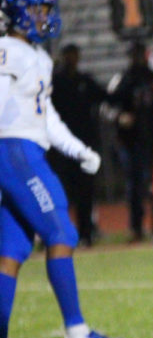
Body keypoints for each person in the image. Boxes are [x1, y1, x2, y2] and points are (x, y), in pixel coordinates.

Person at [0, 0, 126, 338]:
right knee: (61, 230)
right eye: (39, 8)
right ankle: (75, 333)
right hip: (14, 150)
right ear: (19, 11)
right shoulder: (8, 50)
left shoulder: (35, 56)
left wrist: (78, 151)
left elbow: (46, 116)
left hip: (23, 148)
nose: (45, 16)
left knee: (13, 248)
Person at [49, 43, 107, 246]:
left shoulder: (84, 81)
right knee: (59, 192)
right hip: (61, 148)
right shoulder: (56, 82)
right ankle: (57, 234)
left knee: (85, 193)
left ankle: (86, 233)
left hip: (84, 144)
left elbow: (106, 96)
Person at [105, 42, 153, 242]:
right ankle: (136, 227)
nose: (137, 59)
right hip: (130, 142)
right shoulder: (122, 79)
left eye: (140, 54)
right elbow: (107, 107)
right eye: (134, 54)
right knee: (135, 187)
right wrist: (120, 117)